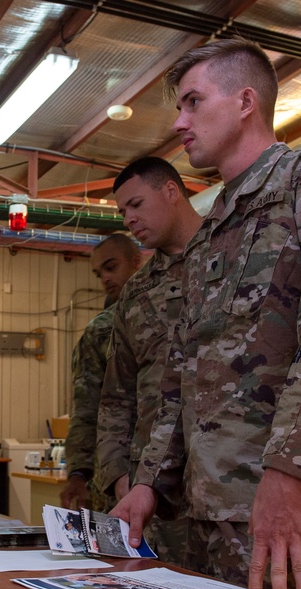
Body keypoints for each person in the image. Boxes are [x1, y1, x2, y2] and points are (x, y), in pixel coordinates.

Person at [111, 37, 301, 589]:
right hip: (200, 510)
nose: (179, 121)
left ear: (246, 101)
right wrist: (147, 483)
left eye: (192, 102)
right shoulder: (215, 227)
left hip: (276, 507)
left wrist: (294, 475)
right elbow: (181, 376)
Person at [92, 157, 203, 554]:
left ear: (171, 191)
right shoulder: (137, 294)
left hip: (232, 486)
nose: (129, 219)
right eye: (123, 211)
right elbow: (116, 397)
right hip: (155, 497)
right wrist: (118, 473)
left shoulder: (231, 260)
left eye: (136, 205)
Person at [61, 234, 142, 511]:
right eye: (99, 273)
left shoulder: (180, 313)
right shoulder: (101, 331)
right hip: (115, 470)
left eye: (111, 267)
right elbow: (86, 407)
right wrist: (78, 472)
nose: (105, 279)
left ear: (136, 262)